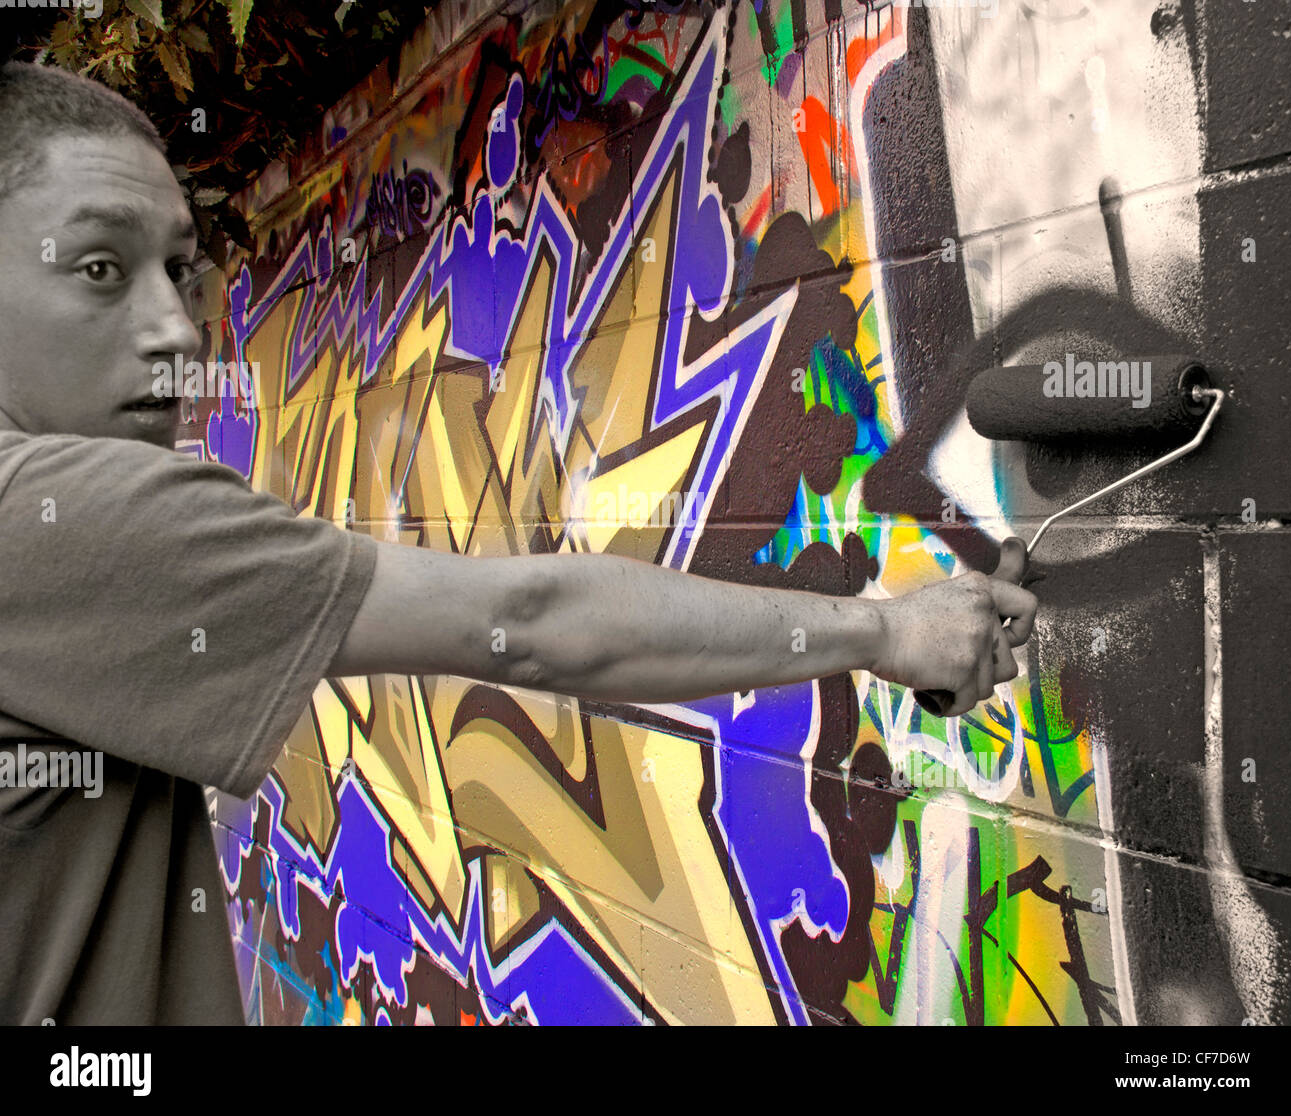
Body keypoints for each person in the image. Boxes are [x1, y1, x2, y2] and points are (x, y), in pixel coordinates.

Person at [0, 61, 1037, 1025]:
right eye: (98, 267)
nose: (177, 329)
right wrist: (886, 633)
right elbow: (525, 624)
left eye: (178, 270)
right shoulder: (59, 517)